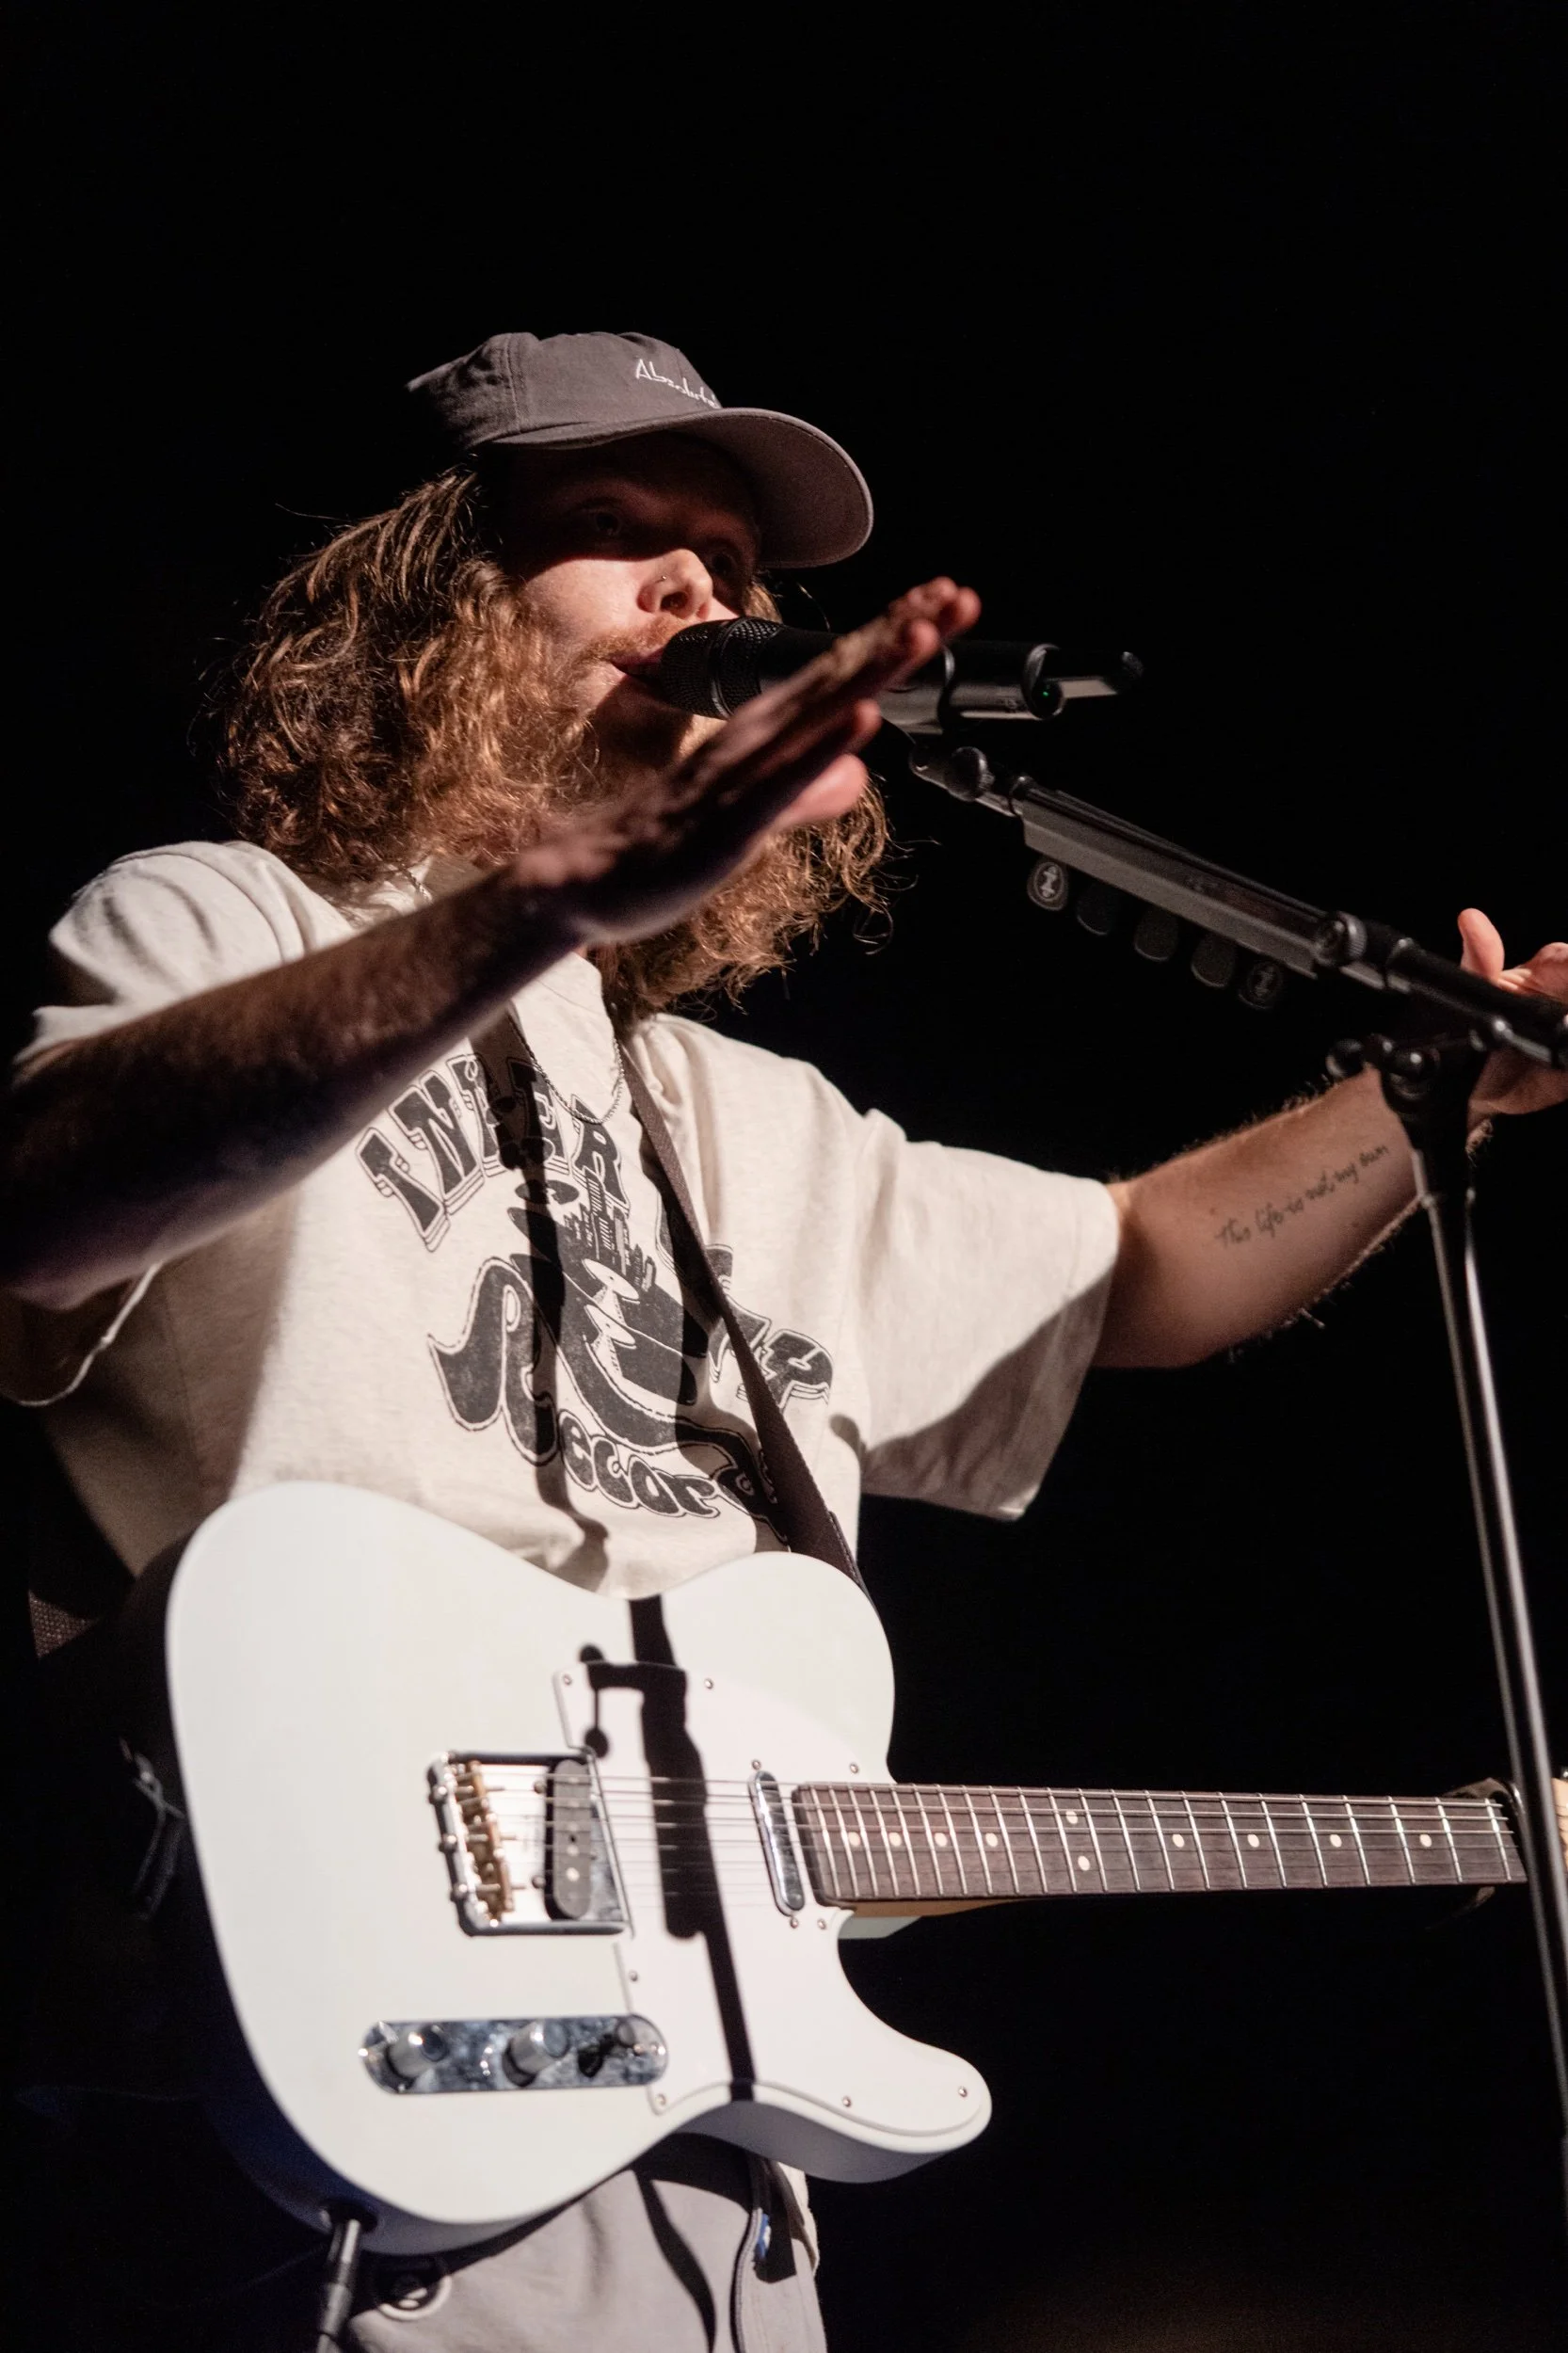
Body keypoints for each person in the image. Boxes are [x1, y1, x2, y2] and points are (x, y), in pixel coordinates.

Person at [3, 330, 1563, 2353]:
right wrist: (537, 906)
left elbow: (1143, 1272)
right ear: (425, 605)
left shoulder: (735, 1117)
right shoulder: (218, 922)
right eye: (611, 528)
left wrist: (1432, 1100)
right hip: (302, 2053)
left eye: (734, 566)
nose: (700, 588)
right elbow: (50, 1196)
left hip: (698, 2147)